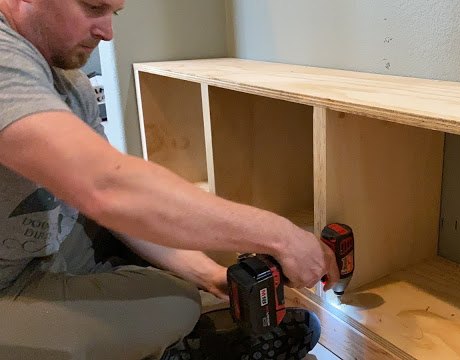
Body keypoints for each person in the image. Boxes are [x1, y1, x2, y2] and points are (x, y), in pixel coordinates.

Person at [0, 0, 339, 359]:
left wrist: (212, 276)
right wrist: (282, 236)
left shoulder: (71, 84)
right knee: (176, 306)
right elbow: (106, 188)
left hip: (43, 252)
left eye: (113, 13)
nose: (107, 32)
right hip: (9, 284)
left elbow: (115, 210)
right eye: (93, 7)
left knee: (177, 294)